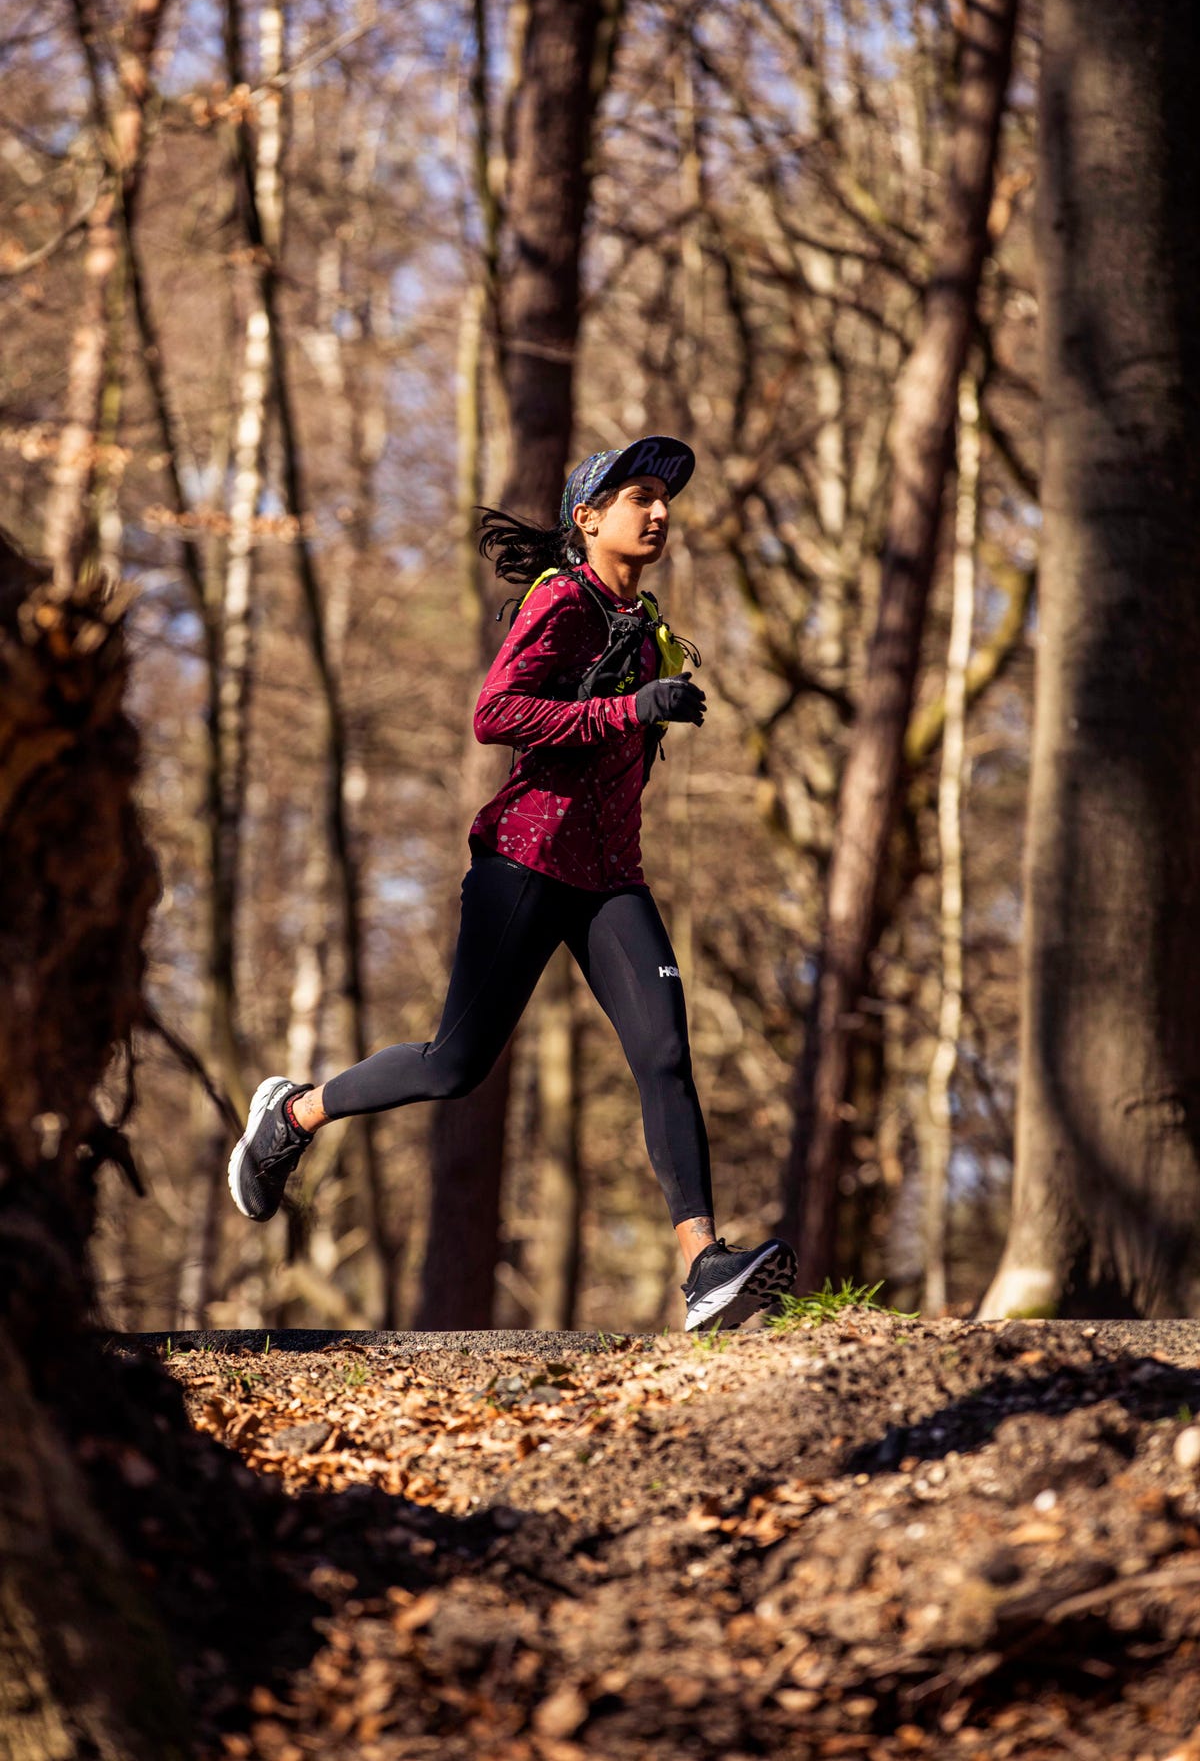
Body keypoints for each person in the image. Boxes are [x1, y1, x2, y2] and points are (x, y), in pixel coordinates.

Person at [227, 435, 797, 1330]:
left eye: (664, 500)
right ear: (589, 518)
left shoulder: (643, 626)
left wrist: (645, 697)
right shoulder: (562, 601)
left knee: (665, 1055)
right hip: (525, 863)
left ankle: (705, 1270)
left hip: (611, 879)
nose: (658, 512)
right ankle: (294, 1114)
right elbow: (496, 713)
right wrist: (628, 707)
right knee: (454, 1066)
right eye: (638, 496)